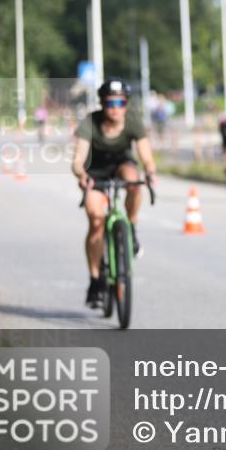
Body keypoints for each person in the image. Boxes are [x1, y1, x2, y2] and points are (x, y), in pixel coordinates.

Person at [72, 78, 157, 307]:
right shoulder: (90, 122)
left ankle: (131, 225)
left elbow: (146, 156)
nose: (115, 109)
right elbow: (78, 160)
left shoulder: (132, 123)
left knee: (133, 179)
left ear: (126, 104)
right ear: (102, 103)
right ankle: (95, 280)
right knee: (96, 221)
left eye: (120, 103)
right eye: (110, 103)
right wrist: (82, 176)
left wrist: (150, 172)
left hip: (122, 166)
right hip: (95, 174)